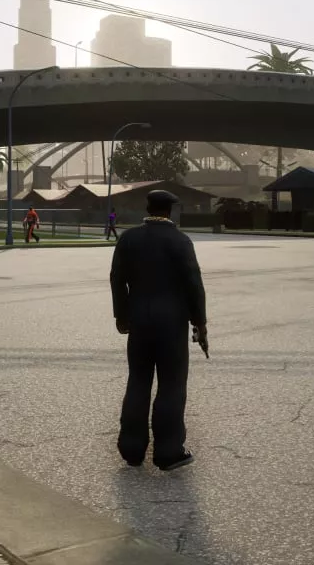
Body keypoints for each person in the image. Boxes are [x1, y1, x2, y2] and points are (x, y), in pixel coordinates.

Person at [109, 190, 206, 471]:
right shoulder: (180, 241)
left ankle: (132, 448)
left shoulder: (129, 238)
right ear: (170, 211)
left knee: (138, 381)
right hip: (172, 323)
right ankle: (168, 451)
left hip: (139, 320)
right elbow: (194, 283)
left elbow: (117, 279)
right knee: (171, 384)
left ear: (147, 208)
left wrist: (121, 315)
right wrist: (200, 322)